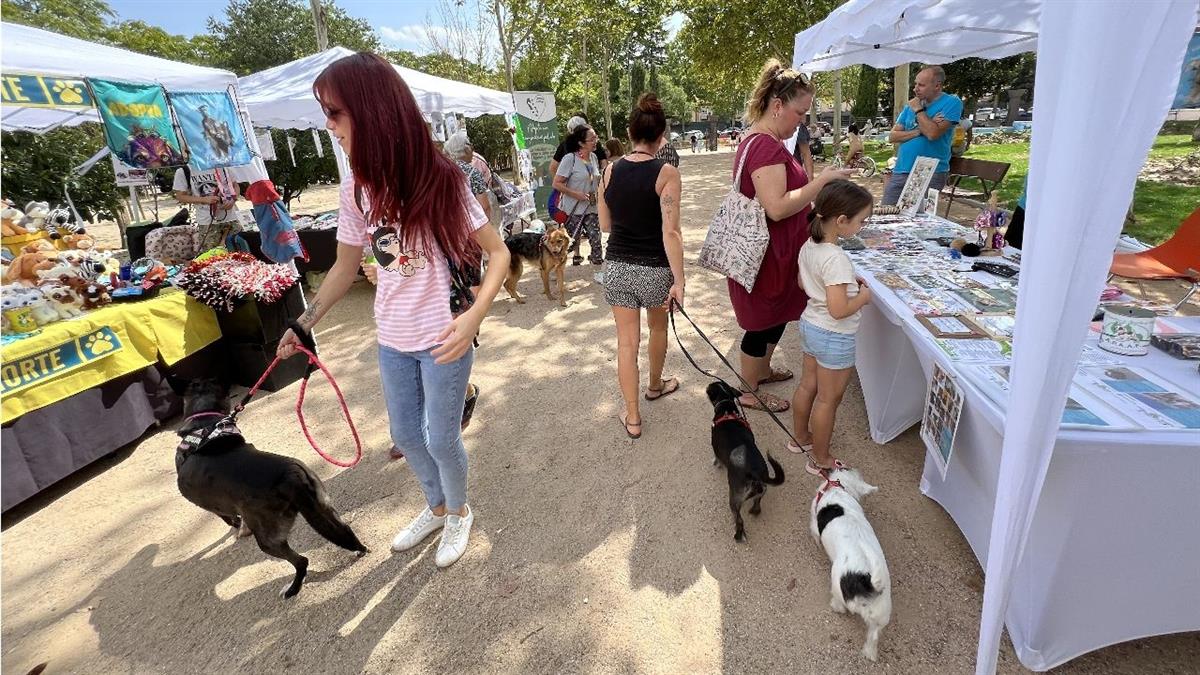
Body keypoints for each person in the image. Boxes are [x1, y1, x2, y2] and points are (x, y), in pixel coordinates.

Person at [277, 52, 510, 569]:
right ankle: (437, 505)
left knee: (440, 437)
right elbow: (342, 268)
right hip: (393, 340)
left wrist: (474, 317)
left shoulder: (441, 177)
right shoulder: (355, 189)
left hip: (444, 336)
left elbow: (499, 254)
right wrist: (302, 323)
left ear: (372, 109)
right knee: (406, 436)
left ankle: (459, 512)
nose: (329, 126)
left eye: (335, 114)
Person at [730, 59, 855, 413]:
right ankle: (749, 392)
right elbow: (777, 208)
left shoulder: (761, 140)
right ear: (777, 105)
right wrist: (822, 180)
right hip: (768, 254)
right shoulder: (766, 145)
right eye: (800, 113)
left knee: (773, 318)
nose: (802, 121)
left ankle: (762, 373)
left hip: (777, 252)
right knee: (760, 324)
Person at [598, 93, 685, 439]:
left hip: (617, 266)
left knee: (626, 343)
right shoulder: (667, 173)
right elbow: (672, 232)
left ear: (630, 132)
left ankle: (632, 417)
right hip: (654, 268)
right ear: (662, 136)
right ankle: (654, 384)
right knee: (658, 329)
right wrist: (680, 280)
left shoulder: (608, 171)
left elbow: (605, 226)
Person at [790, 179, 874, 474]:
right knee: (829, 399)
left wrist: (840, 288)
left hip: (811, 325)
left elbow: (804, 283)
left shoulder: (808, 246)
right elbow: (839, 310)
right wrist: (862, 296)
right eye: (861, 221)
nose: (862, 226)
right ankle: (821, 458)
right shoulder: (836, 257)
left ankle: (800, 438)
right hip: (833, 334)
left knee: (807, 386)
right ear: (841, 221)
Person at [883, 65, 963, 205]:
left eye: (921, 85)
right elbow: (893, 136)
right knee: (886, 214)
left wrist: (918, 110)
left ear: (937, 86)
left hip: (927, 171)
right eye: (915, 84)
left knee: (914, 220)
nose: (915, 89)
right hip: (901, 168)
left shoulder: (951, 102)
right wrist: (920, 130)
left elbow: (932, 134)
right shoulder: (910, 106)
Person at [553, 124, 603, 267]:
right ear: (581, 143)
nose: (595, 141)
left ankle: (597, 266)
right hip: (574, 209)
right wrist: (576, 194)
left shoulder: (593, 157)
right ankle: (555, 266)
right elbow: (557, 183)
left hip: (591, 206)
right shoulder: (569, 159)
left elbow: (594, 179)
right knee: (570, 241)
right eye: (592, 139)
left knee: (596, 238)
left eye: (596, 138)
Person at [172, 165, 242, 251]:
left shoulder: (223, 166)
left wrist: (233, 199)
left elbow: (235, 186)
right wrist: (203, 199)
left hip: (232, 219)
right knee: (213, 257)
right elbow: (180, 196)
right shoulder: (184, 171)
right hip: (207, 222)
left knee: (239, 253)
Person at [445, 130, 493, 222]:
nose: (473, 152)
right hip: (470, 224)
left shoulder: (444, 170)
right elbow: (484, 207)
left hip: (450, 224)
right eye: (472, 147)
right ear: (466, 149)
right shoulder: (472, 173)